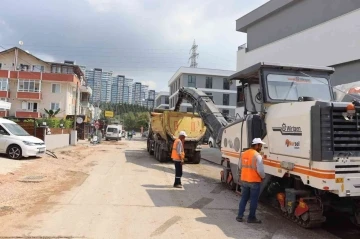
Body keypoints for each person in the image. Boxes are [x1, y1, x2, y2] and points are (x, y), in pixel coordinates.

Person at [236, 138, 266, 223]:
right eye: (260, 145)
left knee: (244, 199)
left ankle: (239, 216)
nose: (261, 147)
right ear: (256, 145)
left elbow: (239, 166)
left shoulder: (243, 154)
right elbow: (260, 171)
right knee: (253, 200)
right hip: (254, 181)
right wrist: (263, 177)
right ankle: (251, 218)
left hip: (245, 180)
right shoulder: (257, 156)